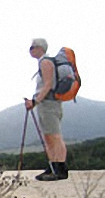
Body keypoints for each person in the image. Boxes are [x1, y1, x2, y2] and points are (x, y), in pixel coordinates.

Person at [25, 38, 69, 181]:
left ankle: (60, 169)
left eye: (32, 47)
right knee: (48, 137)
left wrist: (35, 101)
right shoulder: (43, 62)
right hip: (46, 104)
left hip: (49, 104)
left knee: (55, 136)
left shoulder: (45, 62)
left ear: (40, 48)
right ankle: (53, 166)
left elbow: (48, 84)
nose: (30, 50)